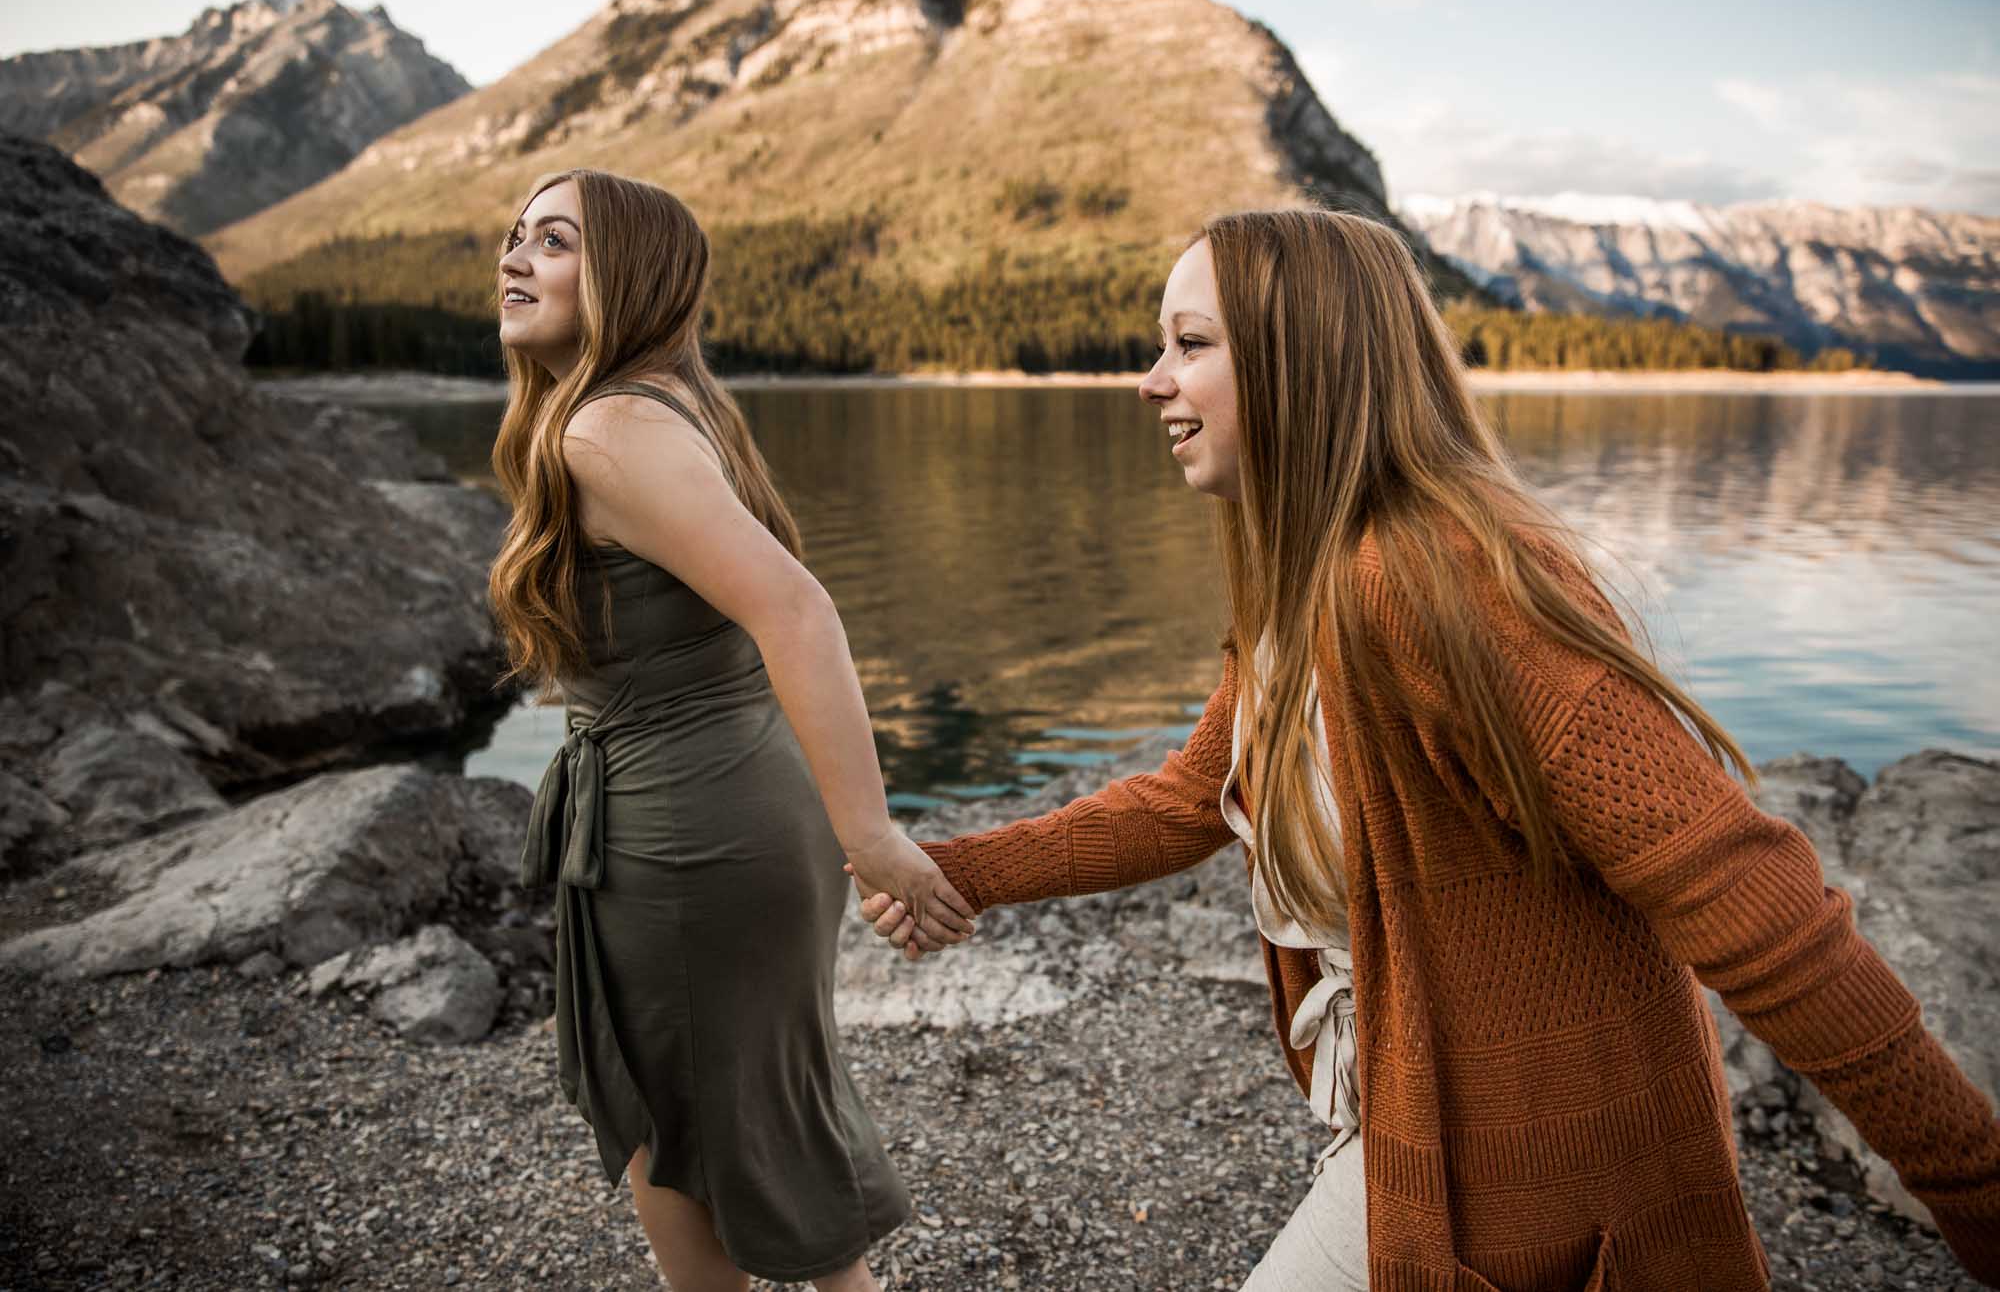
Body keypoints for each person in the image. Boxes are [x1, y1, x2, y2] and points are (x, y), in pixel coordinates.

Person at [858, 209, 2000, 1289]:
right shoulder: (1301, 586)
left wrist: (1968, 1180)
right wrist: (956, 868)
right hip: (1413, 1121)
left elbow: (1744, 895)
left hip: (1525, 1166)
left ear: (1300, 360)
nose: (1150, 379)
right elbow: (1185, 800)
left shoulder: (1431, 581)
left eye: (1189, 343)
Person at [486, 168, 973, 1292]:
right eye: (513, 237)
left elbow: (795, 609)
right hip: (722, 806)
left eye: (552, 242)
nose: (514, 259)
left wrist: (874, 837)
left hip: (685, 832)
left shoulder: (605, 430)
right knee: (746, 1116)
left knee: (700, 1126)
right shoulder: (658, 406)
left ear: (627, 279)